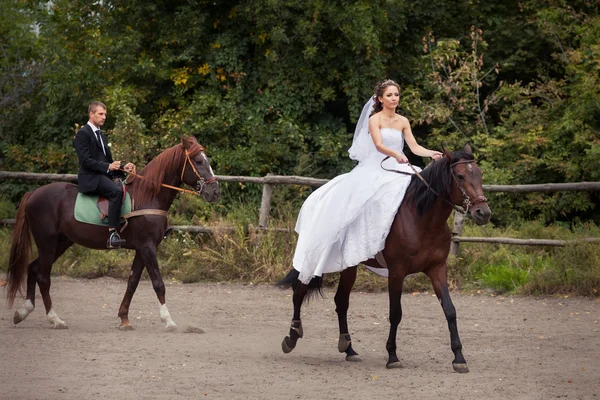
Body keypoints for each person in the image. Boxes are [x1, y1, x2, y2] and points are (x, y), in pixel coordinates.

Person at [293, 79, 442, 284]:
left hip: (398, 165)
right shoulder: (375, 120)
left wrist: (431, 153)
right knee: (368, 198)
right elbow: (379, 145)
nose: (393, 98)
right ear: (380, 99)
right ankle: (362, 241)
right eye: (389, 95)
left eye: (396, 95)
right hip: (377, 166)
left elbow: (414, 147)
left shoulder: (403, 121)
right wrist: (395, 154)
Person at [73, 101, 136, 248]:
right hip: (90, 177)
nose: (104, 117)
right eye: (100, 114)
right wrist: (108, 166)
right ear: (91, 114)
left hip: (102, 175)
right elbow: (86, 161)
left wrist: (122, 167)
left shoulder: (101, 135)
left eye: (105, 114)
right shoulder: (83, 134)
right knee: (115, 191)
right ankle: (112, 234)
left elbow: (108, 162)